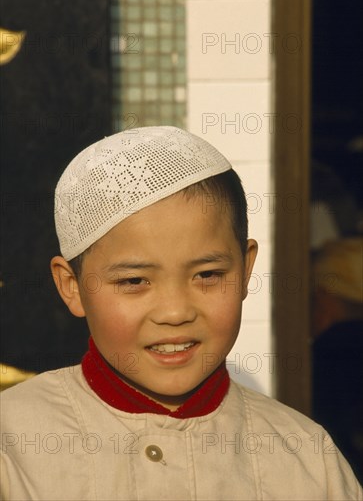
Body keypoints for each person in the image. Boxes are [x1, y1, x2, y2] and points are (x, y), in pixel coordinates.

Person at [1, 126, 361, 500]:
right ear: (71, 286)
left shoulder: (307, 458)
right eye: (134, 281)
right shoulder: (13, 446)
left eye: (207, 275)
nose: (175, 312)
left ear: (245, 269)